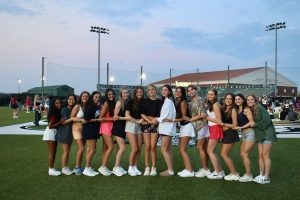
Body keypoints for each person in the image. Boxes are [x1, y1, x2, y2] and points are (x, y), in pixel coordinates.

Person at [247, 94, 277, 184]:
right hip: (260, 134)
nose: (250, 101)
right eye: (248, 100)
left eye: (252, 99)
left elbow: (267, 121)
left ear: (255, 100)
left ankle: (266, 177)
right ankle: (261, 175)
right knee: (260, 155)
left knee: (265, 155)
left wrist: (255, 124)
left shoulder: (260, 108)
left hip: (268, 134)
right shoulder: (251, 110)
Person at [186, 85, 211, 178]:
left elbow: (203, 114)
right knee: (203, 148)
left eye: (192, 90)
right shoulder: (192, 101)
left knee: (200, 147)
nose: (190, 92)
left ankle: (205, 169)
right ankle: (206, 168)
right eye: (189, 91)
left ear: (196, 90)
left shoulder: (200, 99)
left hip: (202, 126)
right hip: (198, 127)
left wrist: (190, 119)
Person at [154, 84, 176, 177]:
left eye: (165, 90)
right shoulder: (167, 101)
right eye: (162, 90)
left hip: (167, 129)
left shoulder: (168, 102)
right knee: (168, 149)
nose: (163, 91)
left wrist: (156, 119)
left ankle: (170, 171)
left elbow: (165, 116)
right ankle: (170, 168)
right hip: (167, 128)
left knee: (163, 149)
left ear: (169, 92)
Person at [140, 84, 163, 176]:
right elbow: (142, 114)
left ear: (155, 90)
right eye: (149, 90)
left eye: (152, 89)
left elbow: (160, 115)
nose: (151, 91)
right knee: (147, 147)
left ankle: (153, 167)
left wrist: (154, 120)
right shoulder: (144, 101)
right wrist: (149, 120)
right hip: (146, 125)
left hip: (155, 126)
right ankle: (147, 167)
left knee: (153, 147)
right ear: (147, 92)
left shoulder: (159, 102)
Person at [173, 86, 195, 177]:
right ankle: (187, 169)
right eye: (176, 91)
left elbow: (184, 117)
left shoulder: (183, 102)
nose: (177, 93)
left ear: (182, 94)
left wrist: (171, 120)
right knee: (181, 149)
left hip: (187, 127)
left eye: (180, 92)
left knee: (182, 150)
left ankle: (190, 171)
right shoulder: (178, 101)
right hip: (183, 127)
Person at [234, 93, 256, 182]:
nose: (237, 101)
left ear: (243, 100)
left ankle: (249, 175)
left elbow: (251, 122)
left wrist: (241, 127)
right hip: (243, 134)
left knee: (244, 154)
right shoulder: (237, 110)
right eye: (235, 99)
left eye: (239, 99)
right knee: (242, 154)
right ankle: (248, 173)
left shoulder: (246, 109)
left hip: (250, 133)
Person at [219, 93, 240, 181]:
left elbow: (235, 124)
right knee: (224, 154)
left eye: (230, 99)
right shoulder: (223, 108)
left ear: (233, 100)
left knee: (224, 154)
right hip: (226, 133)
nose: (228, 100)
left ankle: (234, 174)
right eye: (226, 98)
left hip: (231, 133)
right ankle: (234, 173)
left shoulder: (233, 110)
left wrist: (224, 125)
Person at [125, 86, 144, 176]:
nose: (139, 94)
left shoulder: (144, 102)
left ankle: (135, 166)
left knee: (139, 148)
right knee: (135, 148)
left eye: (141, 92)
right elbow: (127, 115)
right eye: (138, 92)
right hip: (131, 125)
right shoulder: (131, 102)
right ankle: (130, 167)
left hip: (139, 126)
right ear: (135, 93)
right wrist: (137, 121)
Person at [56, 94, 77, 175]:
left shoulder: (74, 109)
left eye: (73, 99)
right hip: (64, 132)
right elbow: (63, 122)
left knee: (67, 151)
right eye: (69, 99)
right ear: (67, 100)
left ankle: (66, 167)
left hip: (69, 133)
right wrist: (72, 118)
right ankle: (64, 168)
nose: (71, 101)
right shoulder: (64, 109)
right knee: (66, 151)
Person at [82, 91, 102, 177]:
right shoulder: (90, 106)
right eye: (95, 97)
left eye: (99, 97)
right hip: (89, 130)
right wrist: (97, 120)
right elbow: (86, 119)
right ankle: (87, 168)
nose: (97, 98)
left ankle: (88, 167)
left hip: (93, 130)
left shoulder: (96, 106)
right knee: (93, 150)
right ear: (92, 97)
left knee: (89, 150)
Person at [206, 89, 224, 180]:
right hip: (212, 128)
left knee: (210, 151)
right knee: (212, 151)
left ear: (215, 95)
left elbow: (219, 120)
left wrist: (207, 118)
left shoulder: (215, 105)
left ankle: (217, 173)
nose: (210, 96)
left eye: (212, 94)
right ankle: (220, 171)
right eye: (209, 94)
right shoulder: (211, 104)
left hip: (215, 128)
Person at [112, 88, 130, 176]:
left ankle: (118, 166)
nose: (126, 94)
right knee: (123, 147)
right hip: (118, 127)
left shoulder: (126, 103)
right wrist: (127, 118)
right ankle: (115, 167)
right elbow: (115, 117)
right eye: (124, 93)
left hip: (123, 127)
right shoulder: (119, 102)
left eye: (127, 93)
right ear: (121, 94)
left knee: (119, 148)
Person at [42, 98, 63, 176]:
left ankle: (52, 168)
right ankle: (51, 169)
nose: (59, 104)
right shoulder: (53, 113)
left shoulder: (57, 112)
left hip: (53, 132)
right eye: (57, 103)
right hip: (50, 133)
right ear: (53, 104)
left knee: (54, 152)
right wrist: (61, 122)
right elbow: (50, 126)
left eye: (60, 103)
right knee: (52, 152)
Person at [71, 91, 89, 175]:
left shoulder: (88, 106)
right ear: (80, 97)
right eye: (83, 96)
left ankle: (80, 166)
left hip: (85, 129)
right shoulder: (77, 106)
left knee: (83, 148)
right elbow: (71, 118)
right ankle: (76, 167)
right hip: (76, 128)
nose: (85, 98)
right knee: (81, 148)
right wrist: (80, 120)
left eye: (87, 96)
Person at [98, 89, 116, 176]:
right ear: (106, 95)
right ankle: (103, 167)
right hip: (105, 127)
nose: (111, 96)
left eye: (112, 94)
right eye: (109, 95)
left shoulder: (112, 104)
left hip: (110, 127)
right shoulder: (106, 104)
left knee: (105, 148)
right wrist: (112, 119)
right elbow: (101, 118)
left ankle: (104, 167)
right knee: (111, 146)